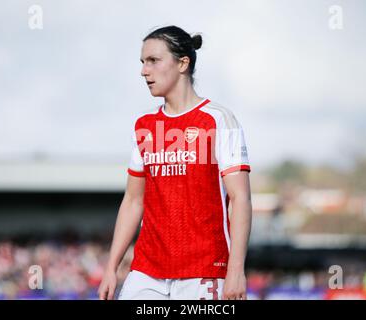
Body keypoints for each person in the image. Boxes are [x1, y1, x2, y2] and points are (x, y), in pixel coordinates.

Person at [98, 25, 252, 300]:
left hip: (205, 269)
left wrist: (236, 269)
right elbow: (133, 201)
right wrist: (111, 267)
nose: (144, 71)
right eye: (143, 62)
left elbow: (240, 198)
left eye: (153, 61)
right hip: (147, 272)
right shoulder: (144, 126)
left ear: (183, 63)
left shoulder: (218, 120)